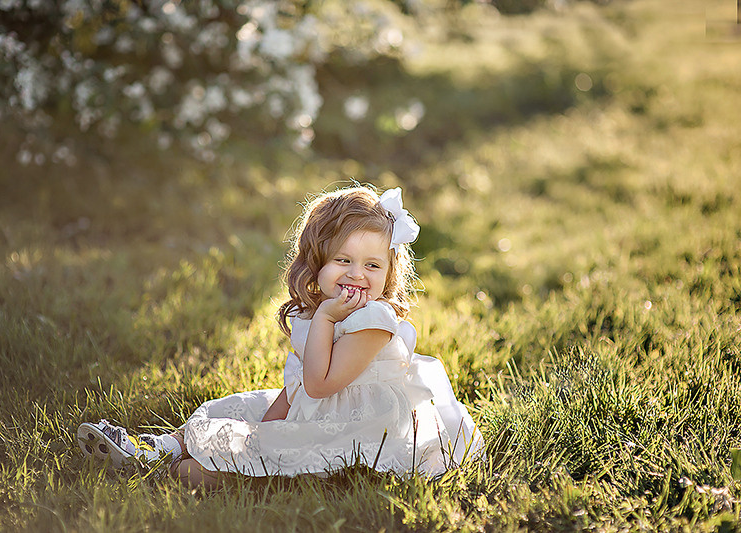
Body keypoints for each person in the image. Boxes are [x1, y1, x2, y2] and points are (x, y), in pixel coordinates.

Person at [78, 185, 484, 488]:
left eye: (373, 265)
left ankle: (198, 471)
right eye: (343, 260)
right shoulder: (324, 311)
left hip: (356, 433)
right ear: (317, 262)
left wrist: (325, 318)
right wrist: (261, 431)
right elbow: (295, 390)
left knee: (202, 473)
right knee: (226, 414)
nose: (358, 274)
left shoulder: (372, 322)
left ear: (389, 273)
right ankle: (150, 450)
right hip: (316, 412)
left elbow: (320, 384)